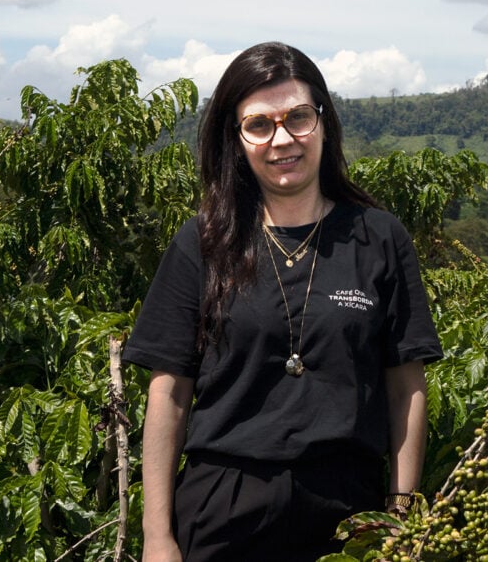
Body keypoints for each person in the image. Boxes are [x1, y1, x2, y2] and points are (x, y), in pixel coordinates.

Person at [122, 41, 443, 561]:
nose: (282, 139)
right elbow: (169, 394)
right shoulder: (202, 243)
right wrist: (157, 537)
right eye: (259, 125)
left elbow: (406, 386)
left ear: (323, 122)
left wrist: (400, 517)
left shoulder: (378, 237)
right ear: (237, 138)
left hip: (349, 513)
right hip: (223, 505)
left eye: (298, 117)